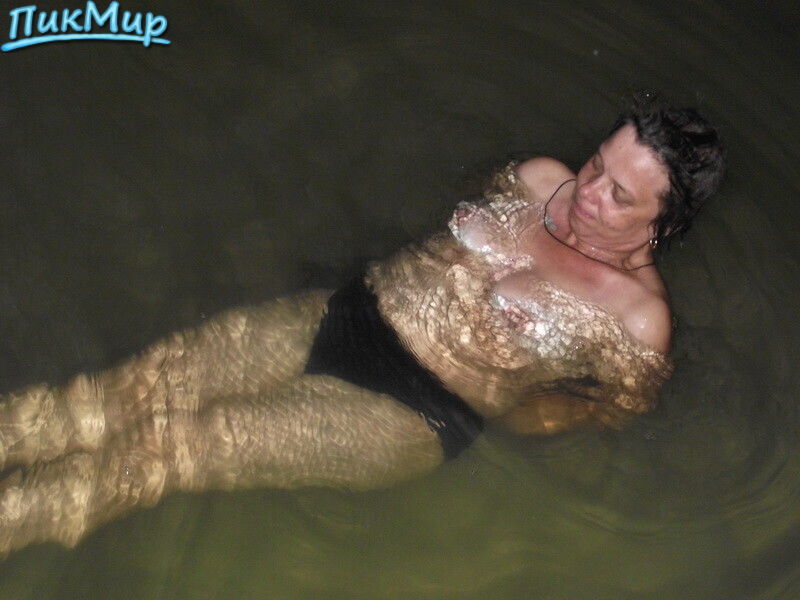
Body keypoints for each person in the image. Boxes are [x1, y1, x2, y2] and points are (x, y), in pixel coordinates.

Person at [0, 103, 724, 557]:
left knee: (167, 448)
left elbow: (599, 413)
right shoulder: (536, 178)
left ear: (660, 226)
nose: (588, 192)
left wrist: (517, 395)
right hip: (346, 311)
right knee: (122, 390)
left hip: (412, 410)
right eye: (596, 163)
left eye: (619, 195)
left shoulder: (638, 319)